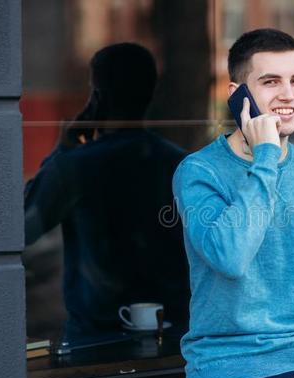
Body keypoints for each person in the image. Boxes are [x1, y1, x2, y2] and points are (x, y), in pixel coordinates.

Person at [173, 29, 294, 378]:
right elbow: (231, 257)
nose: (288, 95)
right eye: (270, 81)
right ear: (236, 95)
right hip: (232, 377)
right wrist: (266, 157)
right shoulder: (199, 172)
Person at [25, 43, 190, 338]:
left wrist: (61, 151)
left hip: (95, 340)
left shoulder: (75, 167)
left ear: (97, 98)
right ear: (150, 94)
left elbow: (22, 229)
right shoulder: (180, 163)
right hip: (172, 332)